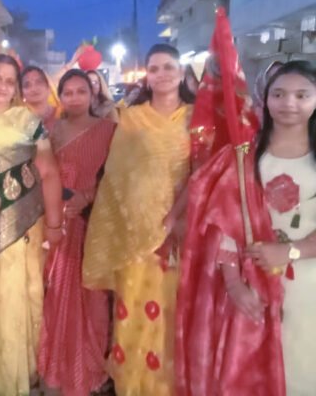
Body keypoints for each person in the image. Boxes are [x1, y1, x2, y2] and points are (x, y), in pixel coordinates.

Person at [178, 60, 316, 395]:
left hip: (308, 287)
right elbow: (225, 224)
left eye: (302, 95)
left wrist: (290, 251)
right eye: (279, 94)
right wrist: (234, 284)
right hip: (251, 288)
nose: (289, 103)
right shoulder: (244, 157)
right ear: (265, 99)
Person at [82, 43, 194, 396]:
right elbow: (117, 177)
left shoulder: (198, 117)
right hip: (135, 236)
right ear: (147, 75)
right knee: (132, 313)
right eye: (154, 68)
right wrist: (135, 223)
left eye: (168, 67)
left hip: (182, 232)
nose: (161, 74)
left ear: (182, 72)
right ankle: (131, 386)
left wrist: (175, 220)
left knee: (174, 315)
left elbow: (203, 173)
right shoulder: (131, 118)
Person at [0, 54, 63, 395]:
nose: (2, 86)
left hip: (26, 228)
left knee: (23, 296)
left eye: (9, 81)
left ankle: (23, 377)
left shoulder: (28, 121)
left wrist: (54, 225)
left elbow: (48, 172)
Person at [38, 69, 115, 396]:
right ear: (60, 96)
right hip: (55, 223)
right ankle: (55, 366)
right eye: (67, 92)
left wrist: (88, 196)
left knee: (93, 298)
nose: (74, 98)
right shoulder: (49, 130)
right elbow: (40, 174)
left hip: (93, 223)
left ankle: (90, 370)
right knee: (54, 296)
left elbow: (116, 176)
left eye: (81, 91)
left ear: (92, 94)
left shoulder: (109, 130)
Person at [20, 65, 61, 131]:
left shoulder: (63, 114)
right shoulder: (19, 121)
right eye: (27, 85)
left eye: (39, 82)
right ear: (21, 93)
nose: (34, 89)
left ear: (48, 88)